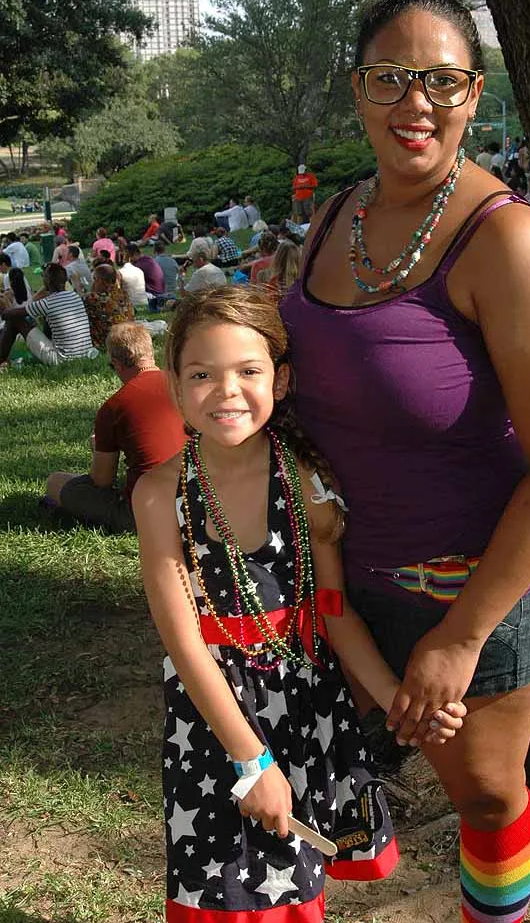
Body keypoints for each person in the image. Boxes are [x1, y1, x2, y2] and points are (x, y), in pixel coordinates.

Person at [281, 0, 530, 923]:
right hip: (345, 577)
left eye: (442, 81)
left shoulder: (509, 243)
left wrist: (458, 640)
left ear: (473, 93)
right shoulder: (333, 216)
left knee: (486, 796)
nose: (414, 103)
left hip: (471, 592)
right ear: (357, 90)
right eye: (389, 78)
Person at [132, 286, 464, 922]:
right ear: (174, 385)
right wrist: (249, 759)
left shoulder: (306, 479)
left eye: (248, 371)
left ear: (280, 381)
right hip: (216, 719)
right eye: (201, 374)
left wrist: (398, 700)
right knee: (226, 891)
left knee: (296, 883)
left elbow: (333, 610)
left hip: (309, 709)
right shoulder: (159, 495)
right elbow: (184, 642)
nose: (226, 391)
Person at [44, 323, 185, 533]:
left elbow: (101, 482)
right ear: (150, 352)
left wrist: (97, 450)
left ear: (117, 365)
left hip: (145, 513)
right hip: (200, 503)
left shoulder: (113, 407)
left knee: (55, 482)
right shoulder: (184, 385)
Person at [0, 262, 96, 368]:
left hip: (63, 360)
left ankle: (1, 360)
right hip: (84, 355)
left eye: (43, 276)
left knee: (14, 319)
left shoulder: (48, 303)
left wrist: (3, 302)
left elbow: (7, 315)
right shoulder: (75, 296)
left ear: (48, 281)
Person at [84, 263, 135, 349]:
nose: (93, 282)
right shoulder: (124, 294)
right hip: (129, 338)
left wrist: (92, 291)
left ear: (100, 280)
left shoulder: (92, 299)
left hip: (107, 343)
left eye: (94, 279)